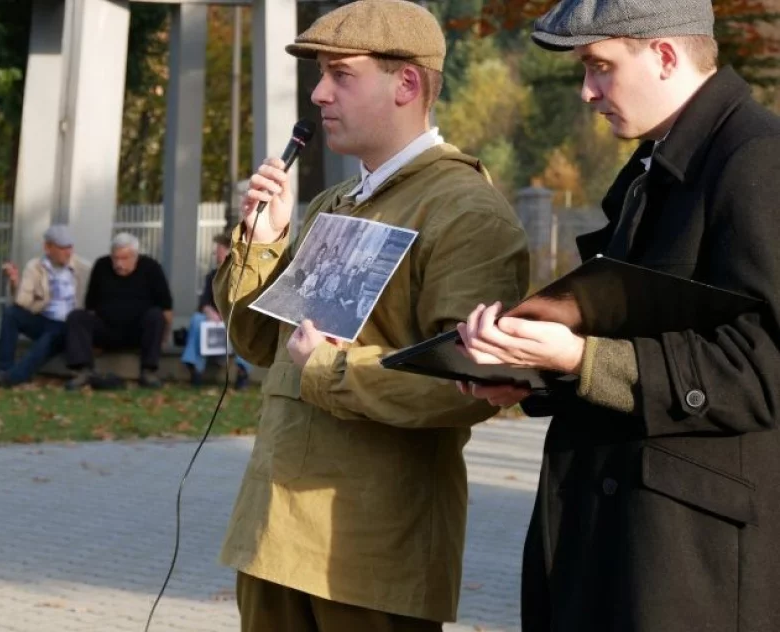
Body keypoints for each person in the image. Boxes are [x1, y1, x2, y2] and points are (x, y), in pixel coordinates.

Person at [455, 1, 780, 630]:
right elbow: (646, 327)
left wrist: (578, 358)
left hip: (689, 566)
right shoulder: (656, 162)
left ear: (663, 55)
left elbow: (762, 368)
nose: (587, 92)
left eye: (601, 67)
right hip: (625, 544)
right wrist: (531, 372)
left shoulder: (756, 159)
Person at [212, 1, 530, 629]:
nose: (319, 92)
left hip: (369, 556)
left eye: (342, 74)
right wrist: (266, 241)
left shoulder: (465, 211)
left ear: (406, 83)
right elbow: (261, 344)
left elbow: (472, 383)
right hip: (275, 534)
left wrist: (331, 370)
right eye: (322, 75)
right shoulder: (337, 201)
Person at [0, 224, 90, 388]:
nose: (68, 252)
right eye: (62, 248)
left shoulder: (84, 269)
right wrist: (14, 282)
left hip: (68, 325)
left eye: (70, 247)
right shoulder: (35, 267)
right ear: (48, 248)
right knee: (11, 313)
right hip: (43, 318)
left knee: (51, 336)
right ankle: (3, 368)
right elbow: (23, 303)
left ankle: (12, 378)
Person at [63, 232, 173, 390]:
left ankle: (148, 372)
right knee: (77, 317)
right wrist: (90, 342)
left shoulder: (152, 268)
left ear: (135, 256)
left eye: (124, 258)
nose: (118, 263)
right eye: (115, 258)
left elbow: (166, 309)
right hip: (106, 329)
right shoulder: (101, 265)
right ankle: (83, 371)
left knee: (156, 315)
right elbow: (90, 306)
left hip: (138, 333)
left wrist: (163, 339)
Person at [180, 233, 252, 389]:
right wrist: (210, 312)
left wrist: (227, 315)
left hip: (235, 318)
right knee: (197, 320)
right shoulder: (212, 276)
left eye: (218, 251)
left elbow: (244, 303)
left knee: (245, 324)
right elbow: (204, 302)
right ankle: (194, 367)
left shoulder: (244, 275)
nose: (216, 255)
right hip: (215, 319)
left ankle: (242, 371)